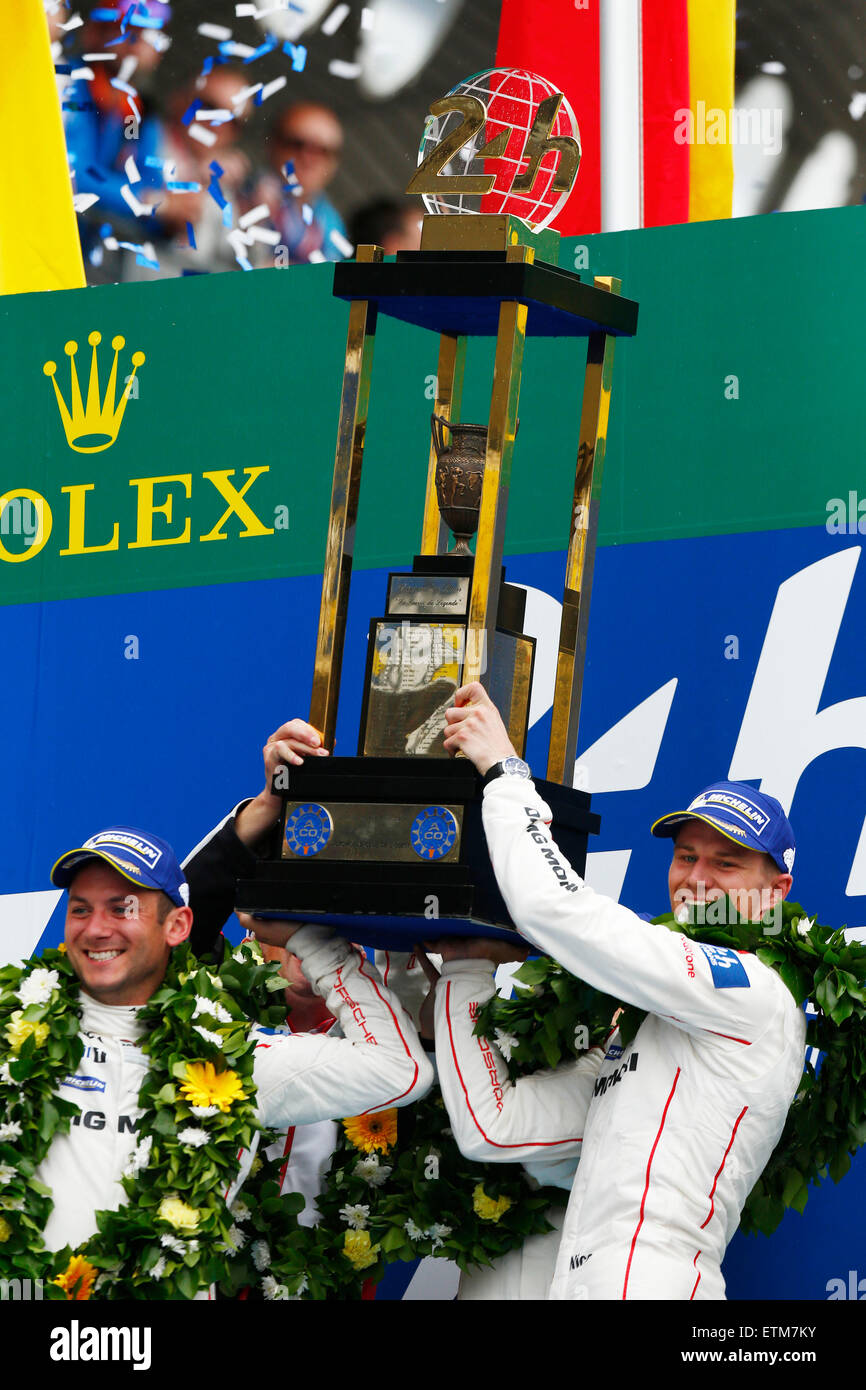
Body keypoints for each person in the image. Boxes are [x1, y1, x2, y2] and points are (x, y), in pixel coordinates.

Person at [432, 680, 806, 1301]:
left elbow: (553, 908)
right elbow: (495, 1128)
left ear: (778, 891)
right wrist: (463, 966)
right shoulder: (639, 1023)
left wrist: (505, 772)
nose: (696, 880)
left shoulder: (751, 991)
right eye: (686, 856)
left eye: (727, 864)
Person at [36, 822, 432, 1254]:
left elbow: (402, 1070)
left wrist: (314, 941)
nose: (96, 929)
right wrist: (254, 818)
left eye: (122, 908)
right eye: (79, 909)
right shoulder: (18, 1041)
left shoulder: (231, 1056)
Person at [256, 101, 348, 263]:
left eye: (323, 151)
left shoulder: (331, 222)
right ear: (272, 145)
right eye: (297, 145)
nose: (309, 158)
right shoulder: (236, 196)